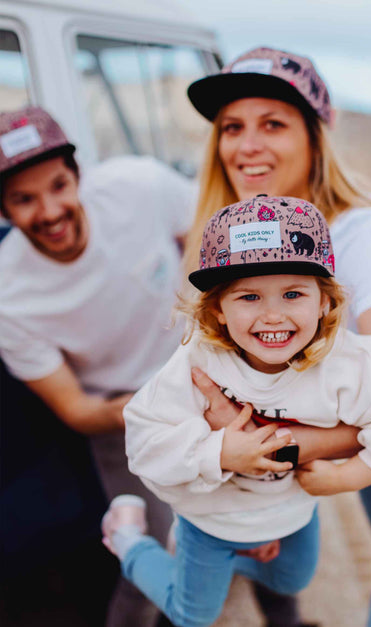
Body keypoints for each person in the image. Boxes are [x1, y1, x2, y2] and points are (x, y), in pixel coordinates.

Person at [183, 47, 371, 627]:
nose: (246, 145)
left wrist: (285, 449)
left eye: (272, 123)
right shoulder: (239, 242)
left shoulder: (360, 236)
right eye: (231, 128)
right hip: (364, 427)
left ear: (314, 137)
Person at [101, 195, 371, 627]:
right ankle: (129, 540)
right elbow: (145, 442)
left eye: (293, 293)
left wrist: (343, 478)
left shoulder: (353, 363)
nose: (273, 315)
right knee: (192, 614)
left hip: (289, 507)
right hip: (210, 516)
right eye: (250, 297)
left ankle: (241, 554)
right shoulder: (198, 364)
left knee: (293, 578)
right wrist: (221, 452)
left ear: (324, 302)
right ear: (218, 308)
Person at [0, 106, 196, 627]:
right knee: (150, 557)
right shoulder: (8, 294)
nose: (49, 210)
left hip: (202, 368)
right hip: (122, 418)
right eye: (23, 198)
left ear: (79, 175)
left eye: (58, 186)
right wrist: (163, 404)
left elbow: (203, 231)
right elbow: (78, 409)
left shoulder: (139, 185)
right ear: (4, 210)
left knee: (253, 522)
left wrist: (209, 333)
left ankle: (285, 616)